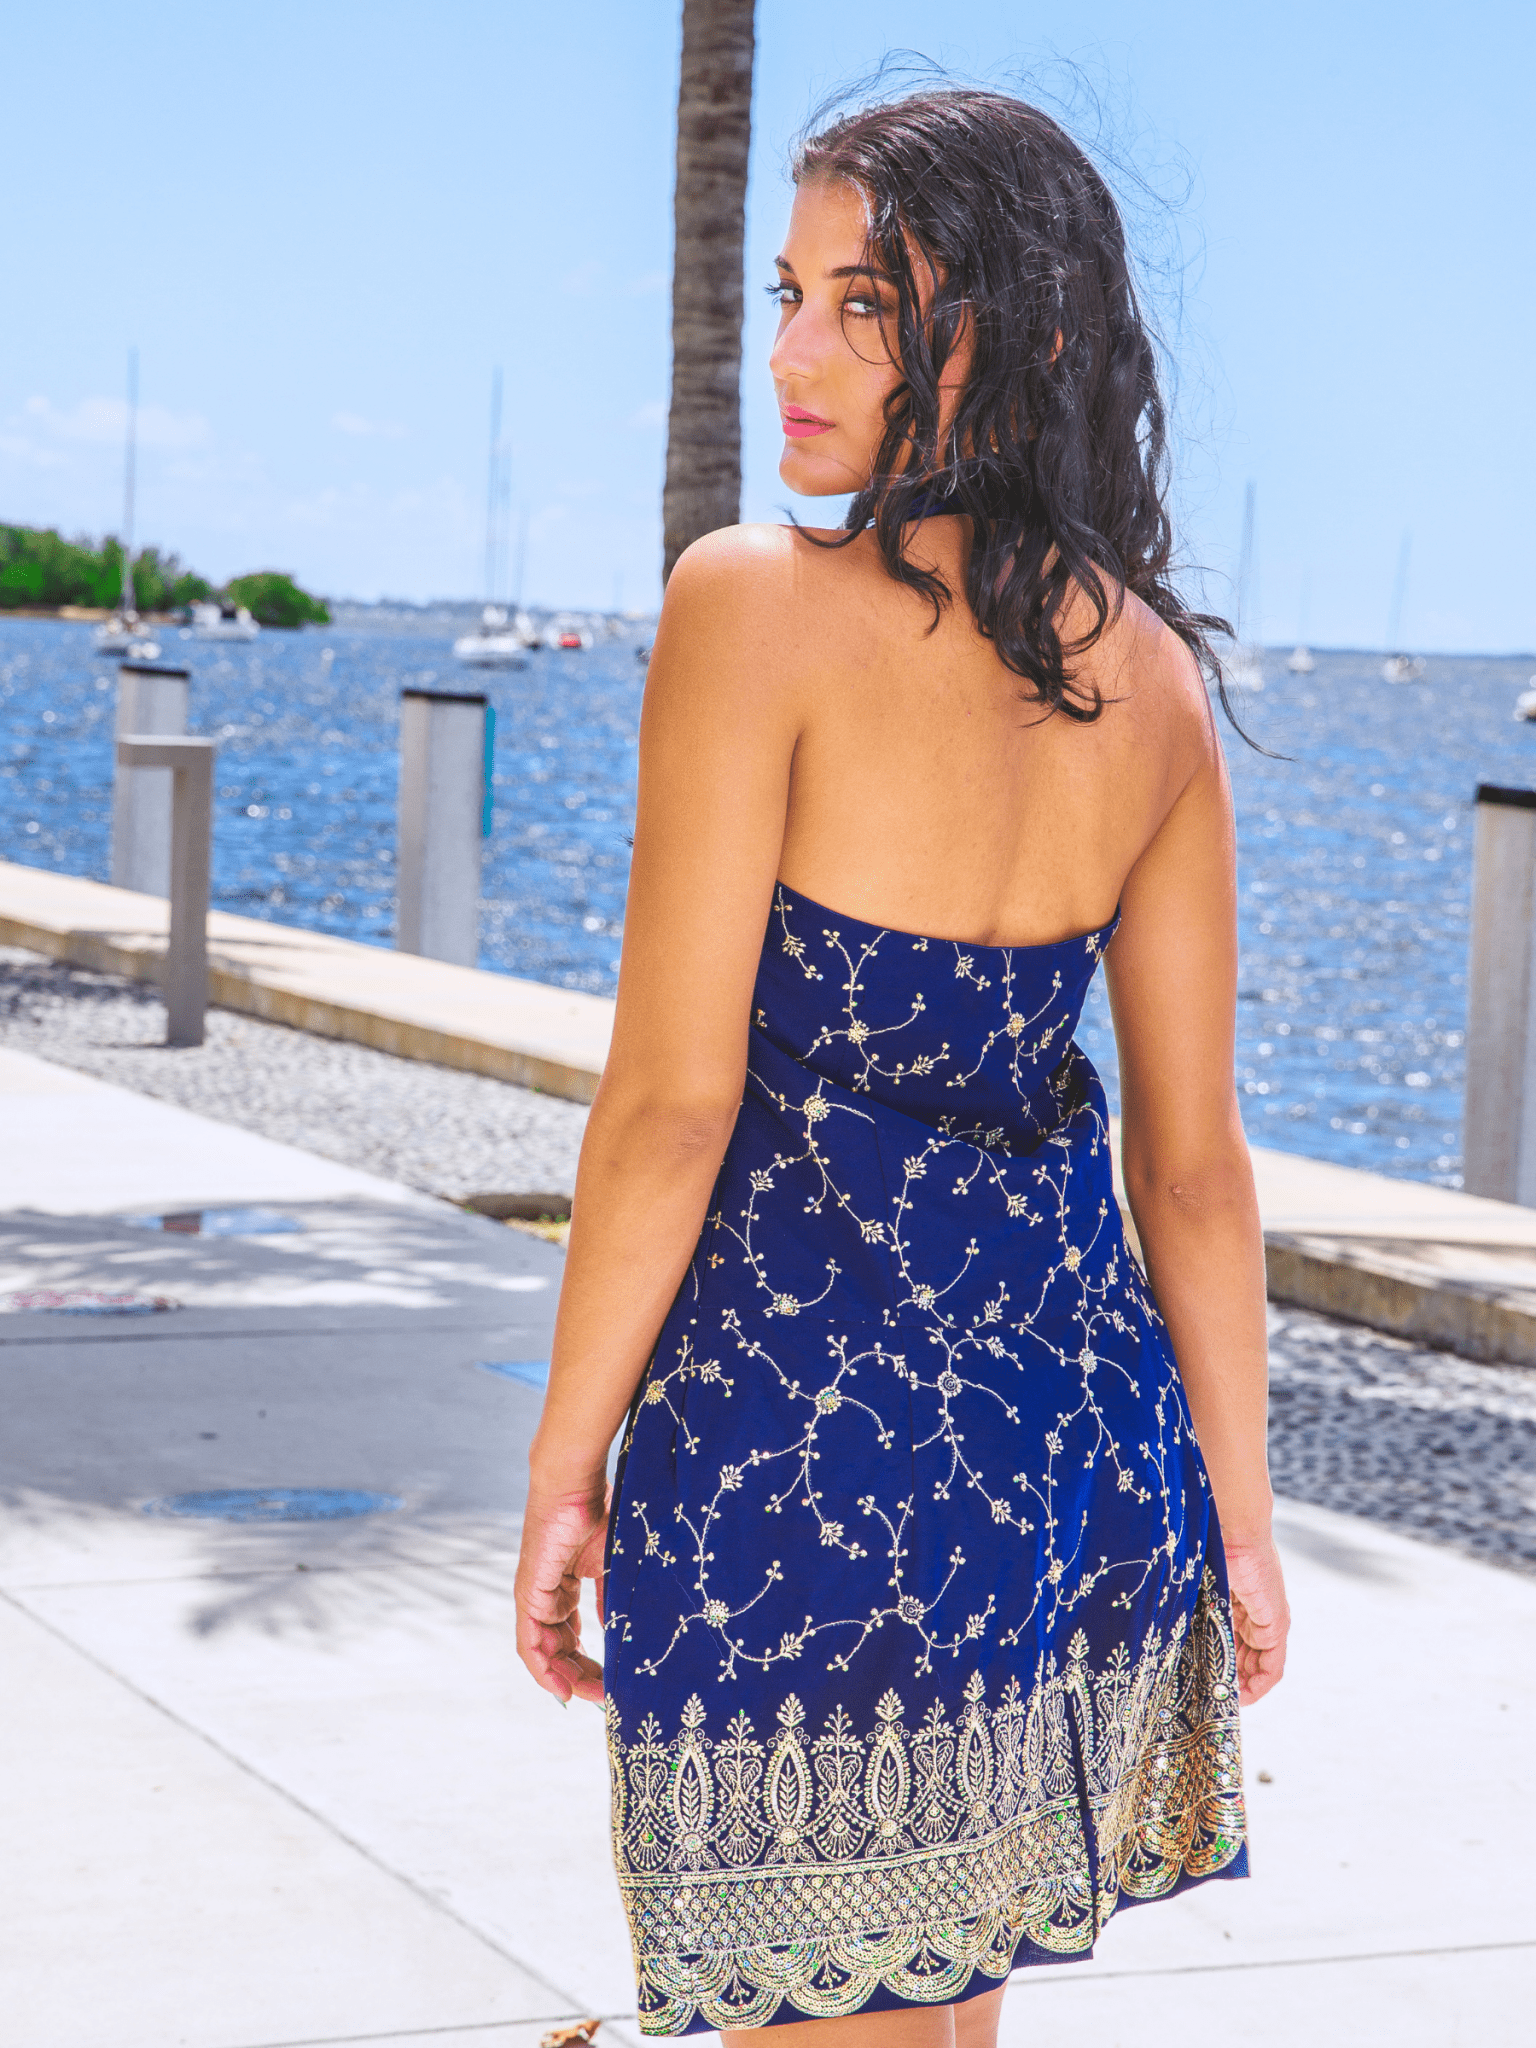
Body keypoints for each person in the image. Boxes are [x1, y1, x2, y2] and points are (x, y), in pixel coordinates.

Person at [515, 85, 1290, 2046]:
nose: (788, 351)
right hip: (1051, 1464)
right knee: (938, 2017)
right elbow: (1193, 1169)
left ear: (1017, 336)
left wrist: (561, 1459)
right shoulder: (1164, 693)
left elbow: (675, 1105)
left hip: (794, 1468)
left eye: (867, 304)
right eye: (790, 293)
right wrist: (1244, 1515)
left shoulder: (751, 610)